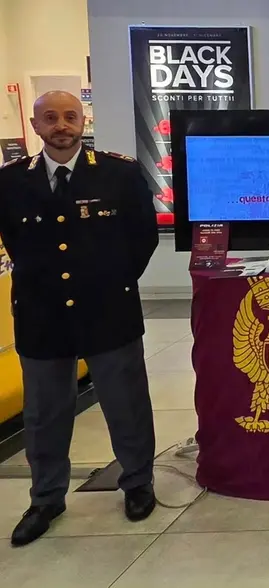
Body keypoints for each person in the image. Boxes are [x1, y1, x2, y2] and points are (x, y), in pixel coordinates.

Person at [0, 91, 159, 546]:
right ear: (35, 126)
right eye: (50, 118)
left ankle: (137, 483)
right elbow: (13, 239)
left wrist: (114, 280)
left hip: (108, 309)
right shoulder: (10, 182)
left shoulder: (119, 173)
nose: (61, 125)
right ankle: (46, 497)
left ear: (82, 119)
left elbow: (142, 236)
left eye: (69, 116)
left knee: (125, 403)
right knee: (44, 414)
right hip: (41, 314)